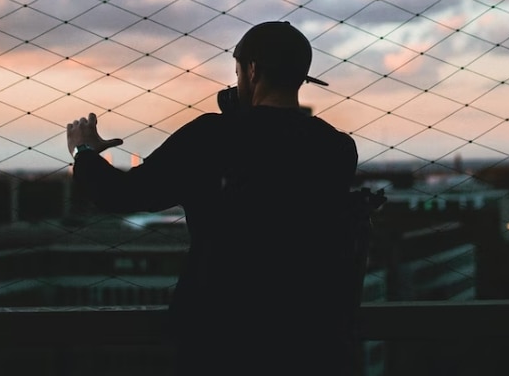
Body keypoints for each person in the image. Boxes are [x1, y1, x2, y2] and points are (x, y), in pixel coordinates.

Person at [67, 21, 359, 376]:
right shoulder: (337, 149)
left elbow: (123, 195)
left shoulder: (211, 137)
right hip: (311, 335)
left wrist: (84, 152)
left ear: (252, 69)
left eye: (238, 72)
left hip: (219, 335)